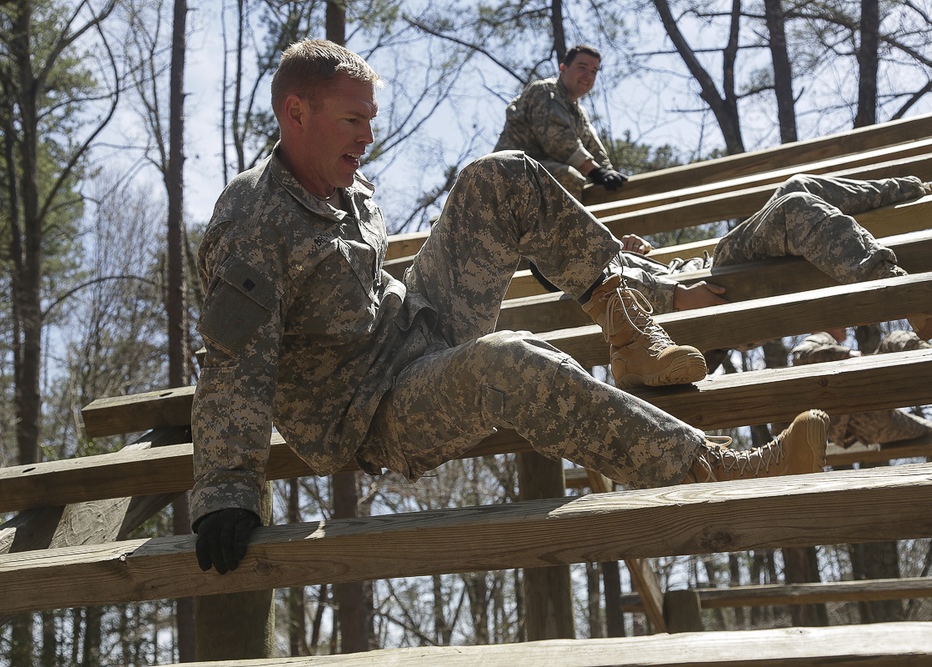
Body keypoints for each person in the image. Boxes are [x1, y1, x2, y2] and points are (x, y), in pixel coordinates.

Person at [189, 39, 828, 576]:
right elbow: (232, 360)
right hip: (369, 409)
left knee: (501, 175)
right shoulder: (251, 218)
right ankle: (716, 469)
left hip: (413, 327)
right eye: (353, 120)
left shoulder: (348, 186)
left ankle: (629, 326)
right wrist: (226, 489)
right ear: (295, 113)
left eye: (373, 118)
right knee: (508, 360)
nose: (370, 135)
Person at [541, 174, 932, 340]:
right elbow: (601, 301)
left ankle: (915, 188)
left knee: (796, 186)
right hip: (705, 290)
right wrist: (673, 297)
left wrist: (641, 255)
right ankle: (902, 292)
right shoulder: (574, 273)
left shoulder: (602, 255)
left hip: (701, 271)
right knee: (794, 207)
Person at [494, 44, 629, 200]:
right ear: (563, 68)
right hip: (506, 174)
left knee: (603, 187)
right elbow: (558, 140)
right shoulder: (544, 92)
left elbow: (594, 150)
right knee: (568, 176)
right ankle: (562, 225)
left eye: (594, 71)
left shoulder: (579, 114)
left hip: (533, 176)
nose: (588, 76)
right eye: (582, 67)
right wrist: (596, 172)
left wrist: (608, 172)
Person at [789, 328, 932, 449]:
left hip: (871, 425)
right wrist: (846, 354)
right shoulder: (821, 337)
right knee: (895, 339)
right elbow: (800, 355)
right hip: (860, 410)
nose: (846, 327)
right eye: (840, 322)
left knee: (929, 431)